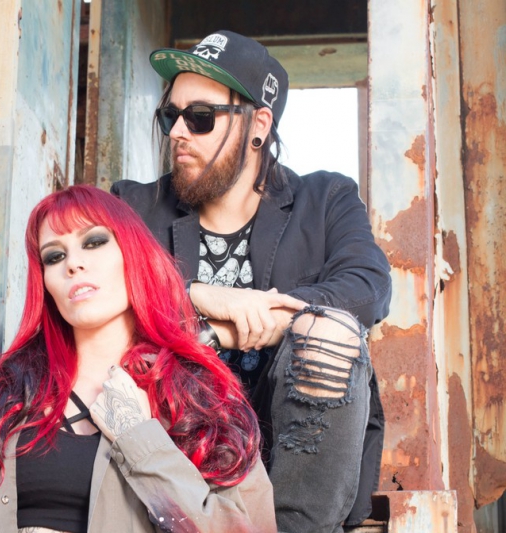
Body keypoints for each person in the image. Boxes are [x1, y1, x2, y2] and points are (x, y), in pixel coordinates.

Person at [111, 30, 392, 533]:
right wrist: (196, 297)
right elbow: (97, 298)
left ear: (258, 125)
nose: (178, 132)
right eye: (170, 116)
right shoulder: (133, 207)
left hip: (286, 453)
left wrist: (251, 322)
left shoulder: (325, 200)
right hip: (170, 442)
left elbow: (368, 286)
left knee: (328, 330)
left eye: (200, 117)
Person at [0, 185, 276, 532]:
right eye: (54, 256)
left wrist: (141, 441)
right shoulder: (0, 395)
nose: (73, 264)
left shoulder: (200, 396)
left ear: (133, 253)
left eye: (94, 242)